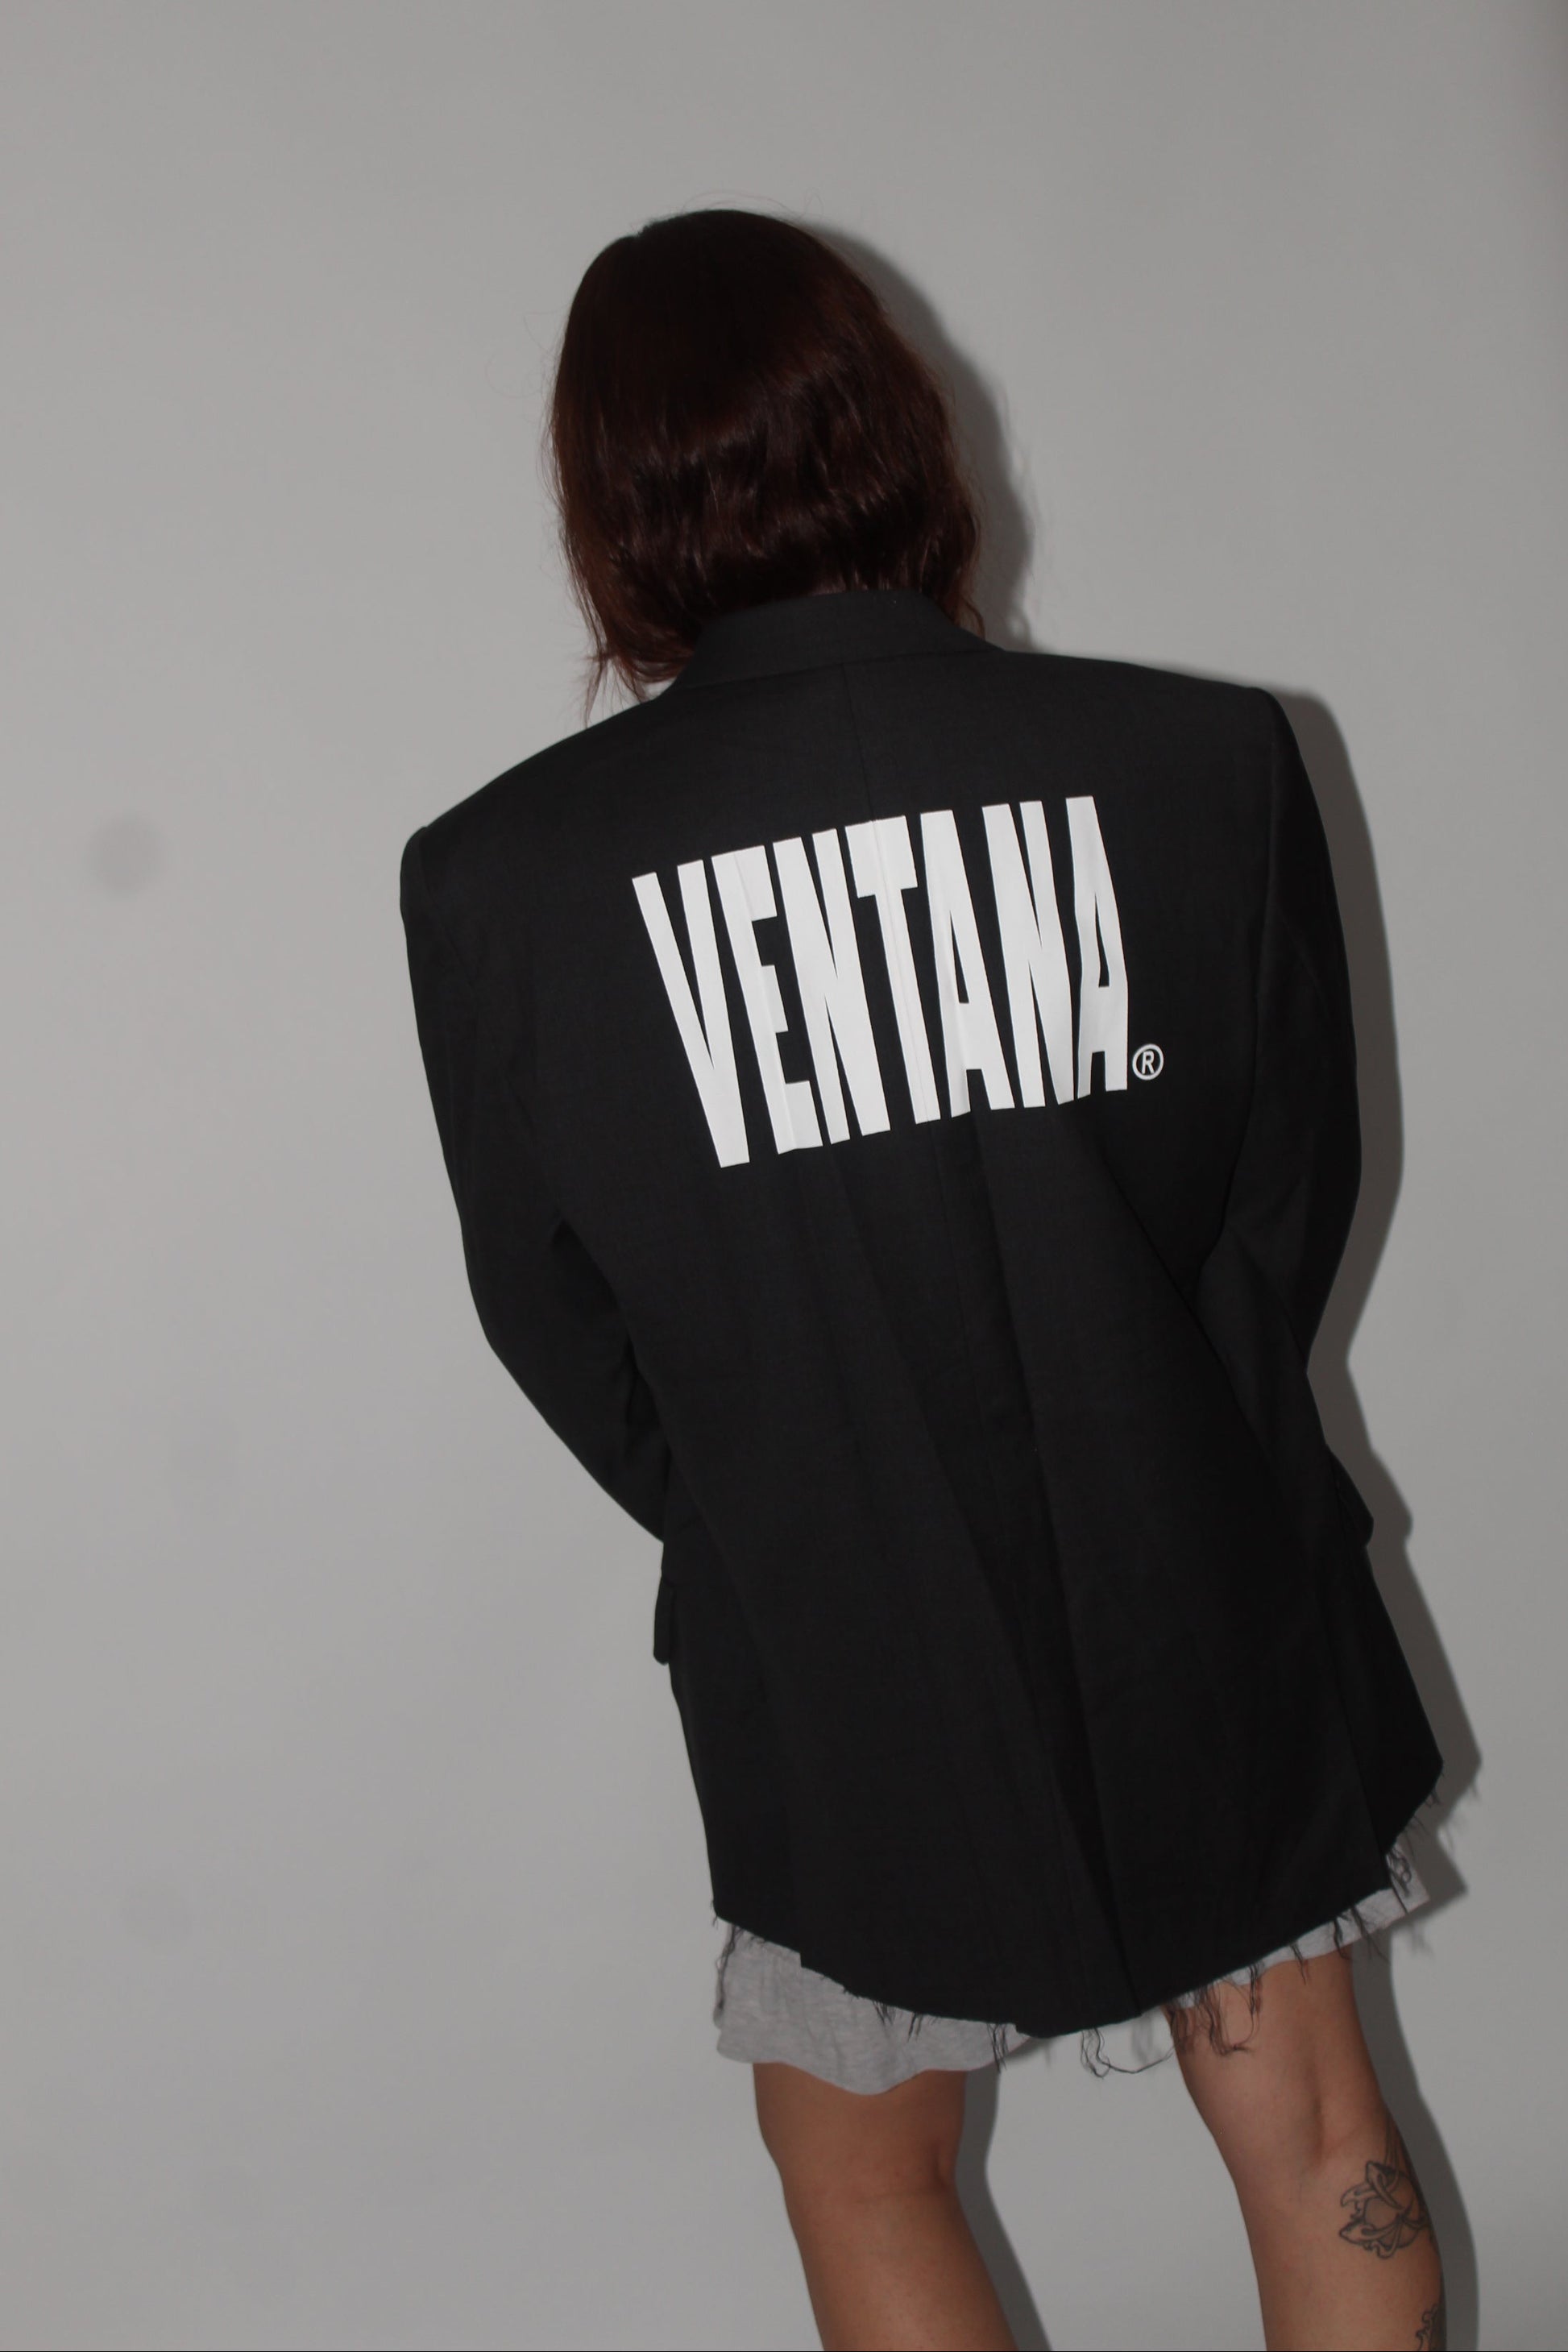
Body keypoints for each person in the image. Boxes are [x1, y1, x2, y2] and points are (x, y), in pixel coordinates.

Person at [400, 208, 1450, 2352]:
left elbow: (553, 1311)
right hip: (1206, 1585)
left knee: (866, 2175)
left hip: (836, 1645)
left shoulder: (502, 881)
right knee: (1318, 2132)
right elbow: (1284, 1208)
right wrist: (1171, 1436)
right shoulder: (1204, 763)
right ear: (899, 430)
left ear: (611, 503)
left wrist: (785, 1506)